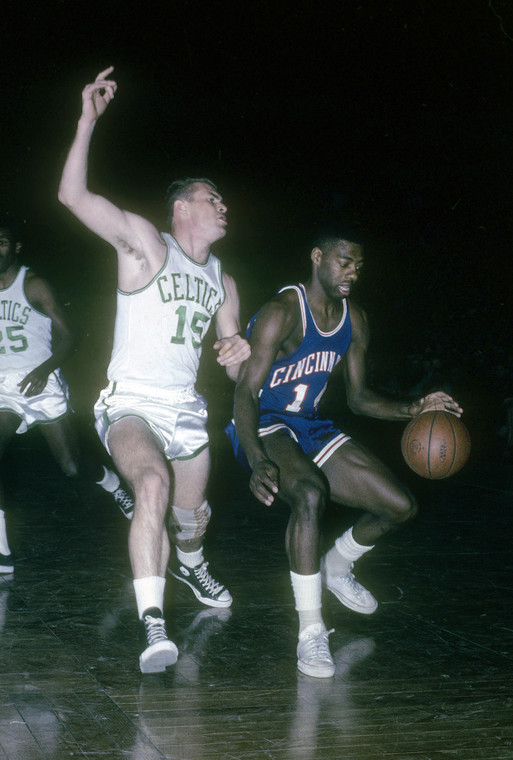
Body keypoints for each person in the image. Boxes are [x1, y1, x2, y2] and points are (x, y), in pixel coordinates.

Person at [58, 67, 250, 674]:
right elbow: (73, 198)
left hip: (186, 410)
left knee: (190, 523)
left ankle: (191, 561)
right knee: (151, 488)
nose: (223, 204)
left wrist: (238, 354)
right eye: (210, 196)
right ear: (180, 208)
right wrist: (87, 122)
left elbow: (233, 354)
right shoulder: (146, 245)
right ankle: (154, 626)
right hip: (131, 403)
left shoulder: (224, 280)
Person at [228, 225, 463, 679]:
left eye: (358, 265)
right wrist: (256, 457)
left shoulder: (355, 319)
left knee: (400, 507)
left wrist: (417, 407)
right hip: (264, 422)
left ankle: (336, 566)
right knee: (310, 495)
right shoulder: (282, 311)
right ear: (317, 257)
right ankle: (311, 631)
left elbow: (359, 399)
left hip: (310, 425)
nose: (353, 272)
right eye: (344, 261)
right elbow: (245, 391)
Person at [0, 217, 134, 574]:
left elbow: (72, 337)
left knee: (72, 467)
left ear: (16, 248)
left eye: (2, 242)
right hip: (4, 387)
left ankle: (111, 481)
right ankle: (2, 551)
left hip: (41, 383)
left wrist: (44, 369)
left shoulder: (34, 285)